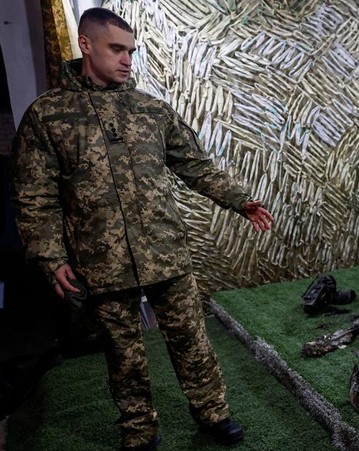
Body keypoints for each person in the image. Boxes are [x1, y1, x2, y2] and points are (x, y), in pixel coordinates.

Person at [10, 7, 274, 450]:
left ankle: (213, 413)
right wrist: (51, 258)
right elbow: (34, 197)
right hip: (103, 263)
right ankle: (139, 428)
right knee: (124, 353)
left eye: (131, 50)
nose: (127, 59)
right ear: (86, 45)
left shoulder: (151, 111)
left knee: (192, 341)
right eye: (117, 48)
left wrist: (239, 200)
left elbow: (195, 165)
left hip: (165, 251)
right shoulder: (48, 116)